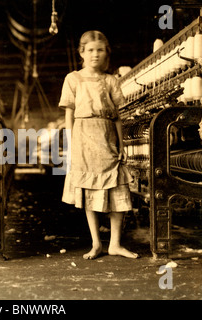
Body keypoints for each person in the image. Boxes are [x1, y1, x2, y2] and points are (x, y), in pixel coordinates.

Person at [59, 30, 139, 260]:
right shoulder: (72, 79)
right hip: (83, 136)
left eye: (100, 50)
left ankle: (114, 244)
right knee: (89, 191)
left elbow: (117, 118)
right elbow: (69, 114)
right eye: (91, 50)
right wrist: (72, 144)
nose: (95, 55)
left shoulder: (111, 80)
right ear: (82, 52)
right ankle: (96, 244)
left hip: (107, 137)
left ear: (106, 53)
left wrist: (122, 147)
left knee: (117, 189)